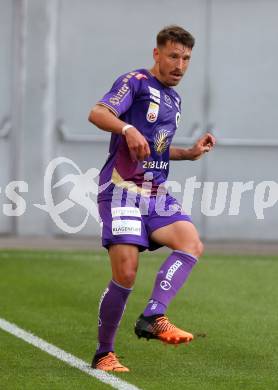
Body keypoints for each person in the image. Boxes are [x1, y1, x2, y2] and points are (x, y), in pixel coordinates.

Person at [88, 25, 216, 372]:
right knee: (126, 273)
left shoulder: (174, 99)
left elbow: (154, 150)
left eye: (186, 58)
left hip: (154, 191)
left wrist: (188, 154)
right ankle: (104, 354)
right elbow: (98, 113)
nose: (180, 65)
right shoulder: (135, 82)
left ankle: (153, 315)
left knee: (191, 243)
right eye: (173, 56)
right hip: (120, 190)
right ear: (157, 54)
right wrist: (126, 128)